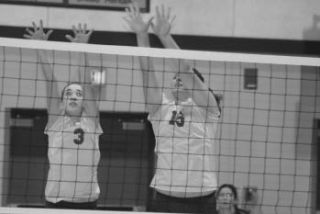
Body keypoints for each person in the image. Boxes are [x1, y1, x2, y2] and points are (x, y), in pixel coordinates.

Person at [124, 4, 222, 213]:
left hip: (202, 201)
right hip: (165, 199)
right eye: (174, 78)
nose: (177, 80)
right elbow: (147, 70)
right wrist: (142, 36)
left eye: (182, 79)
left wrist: (164, 37)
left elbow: (186, 70)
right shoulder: (161, 108)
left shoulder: (207, 108)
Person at [24, 21, 103, 209]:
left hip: (88, 201)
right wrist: (40, 48)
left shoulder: (92, 122)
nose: (74, 96)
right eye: (68, 93)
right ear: (61, 103)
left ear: (84, 101)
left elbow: (86, 83)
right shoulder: (56, 121)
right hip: (57, 201)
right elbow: (51, 81)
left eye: (78, 93)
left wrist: (82, 49)